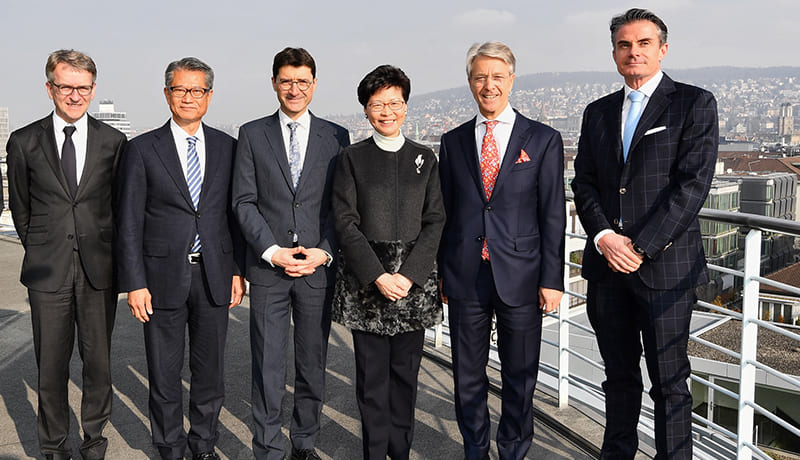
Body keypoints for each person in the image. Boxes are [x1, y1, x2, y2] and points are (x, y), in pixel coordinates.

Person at [571, 8, 718, 459]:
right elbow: (585, 182)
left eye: (643, 44)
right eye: (624, 45)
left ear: (663, 49)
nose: (633, 52)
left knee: (671, 383)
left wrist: (639, 246)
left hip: (666, 269)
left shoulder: (693, 103)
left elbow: (692, 185)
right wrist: (602, 237)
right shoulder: (597, 112)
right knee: (618, 378)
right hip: (606, 267)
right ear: (614, 52)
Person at [438, 42, 565, 460]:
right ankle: (475, 449)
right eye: (479, 77)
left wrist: (552, 279)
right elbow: (446, 211)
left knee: (521, 376)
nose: (488, 85)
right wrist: (442, 271)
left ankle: (513, 450)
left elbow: (552, 215)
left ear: (511, 79)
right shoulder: (452, 141)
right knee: (467, 376)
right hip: (465, 275)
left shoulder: (543, 139)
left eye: (496, 76)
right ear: (470, 82)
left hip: (525, 277)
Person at [115, 57, 245, 460]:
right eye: (180, 89)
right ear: (167, 93)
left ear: (209, 95)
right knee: (164, 373)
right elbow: (129, 222)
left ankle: (203, 445)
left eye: (197, 90)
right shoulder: (140, 149)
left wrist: (238, 270)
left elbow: (234, 215)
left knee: (210, 374)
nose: (189, 97)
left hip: (215, 275)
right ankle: (169, 446)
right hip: (159, 278)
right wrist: (135, 282)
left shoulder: (228, 148)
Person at [6, 49, 126, 460]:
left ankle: (94, 442)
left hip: (99, 271)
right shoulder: (23, 141)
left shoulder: (114, 142)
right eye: (65, 86)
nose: (74, 95)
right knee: (50, 367)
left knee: (99, 365)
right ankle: (53, 446)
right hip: (47, 270)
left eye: (83, 88)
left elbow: (118, 206)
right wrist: (41, 245)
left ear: (93, 90)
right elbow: (21, 208)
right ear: (49, 88)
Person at [232, 47, 350, 460]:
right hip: (269, 270)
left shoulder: (336, 137)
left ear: (314, 84)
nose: (294, 89)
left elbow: (343, 206)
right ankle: (267, 446)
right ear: (274, 84)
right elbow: (243, 201)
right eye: (286, 81)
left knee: (312, 362)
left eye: (302, 81)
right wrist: (270, 251)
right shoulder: (251, 133)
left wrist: (325, 252)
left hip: (317, 269)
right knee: (267, 364)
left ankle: (304, 442)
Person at [332, 65, 445, 460]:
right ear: (365, 109)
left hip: (414, 287)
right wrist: (377, 274)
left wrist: (410, 275)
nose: (387, 111)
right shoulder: (351, 158)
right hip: (368, 286)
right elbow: (345, 222)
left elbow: (436, 220)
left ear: (406, 106)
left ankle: (401, 452)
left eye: (394, 102)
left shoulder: (424, 157)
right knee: (372, 381)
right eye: (377, 104)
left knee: (405, 379)